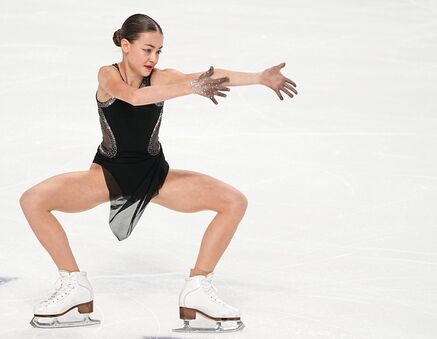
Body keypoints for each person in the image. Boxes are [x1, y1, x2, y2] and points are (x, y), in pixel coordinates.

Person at [19, 13, 297, 332]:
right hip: (108, 175)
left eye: (159, 51)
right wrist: (190, 88)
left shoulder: (162, 78)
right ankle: (74, 287)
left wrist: (259, 77)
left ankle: (197, 290)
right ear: (125, 45)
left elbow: (211, 74)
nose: (153, 58)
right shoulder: (107, 75)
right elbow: (134, 98)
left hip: (155, 176)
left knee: (234, 201)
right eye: (147, 49)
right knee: (32, 200)